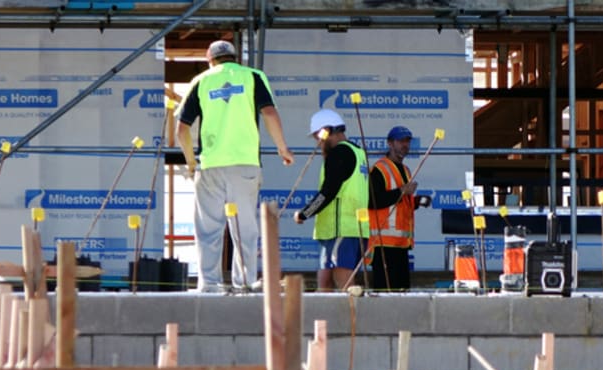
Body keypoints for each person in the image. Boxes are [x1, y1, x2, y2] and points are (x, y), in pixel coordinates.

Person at [177, 40, 294, 294]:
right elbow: (270, 113)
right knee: (244, 226)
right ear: (235, 58)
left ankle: (209, 284)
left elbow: (182, 129)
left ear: (210, 60)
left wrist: (190, 162)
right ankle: (245, 283)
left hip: (210, 165)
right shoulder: (253, 76)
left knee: (208, 227)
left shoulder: (202, 80)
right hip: (244, 164)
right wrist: (282, 148)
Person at [294, 109, 369, 292]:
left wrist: (305, 213)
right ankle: (325, 320)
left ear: (326, 131)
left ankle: (351, 320)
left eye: (318, 136)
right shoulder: (358, 153)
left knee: (345, 286)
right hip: (347, 230)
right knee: (324, 284)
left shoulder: (339, 154)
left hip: (342, 230)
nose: (318, 142)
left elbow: (328, 192)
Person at [368, 125, 425, 291]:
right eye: (400, 141)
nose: (405, 145)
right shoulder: (379, 169)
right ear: (390, 143)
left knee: (402, 293)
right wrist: (401, 191)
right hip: (383, 244)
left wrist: (416, 202)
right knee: (385, 293)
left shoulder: (405, 170)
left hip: (401, 244)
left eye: (407, 141)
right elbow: (372, 201)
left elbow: (400, 205)